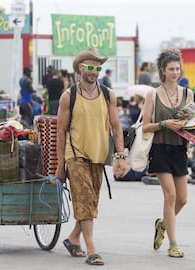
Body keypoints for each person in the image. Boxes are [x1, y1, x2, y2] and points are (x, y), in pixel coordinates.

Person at [55, 48, 128, 266]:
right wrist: (60, 164)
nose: (94, 71)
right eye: (90, 67)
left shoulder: (108, 95)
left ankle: (73, 238)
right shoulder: (69, 96)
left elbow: (116, 126)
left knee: (90, 202)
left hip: (99, 154)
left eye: (98, 67)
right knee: (85, 198)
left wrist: (120, 155)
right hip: (75, 154)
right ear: (80, 68)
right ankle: (92, 249)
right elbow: (60, 131)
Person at [142, 48, 194, 258]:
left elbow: (191, 123)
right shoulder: (152, 94)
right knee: (170, 195)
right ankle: (173, 244)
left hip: (180, 148)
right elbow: (145, 126)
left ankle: (162, 225)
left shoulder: (188, 93)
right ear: (162, 71)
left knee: (182, 199)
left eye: (177, 68)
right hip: (160, 148)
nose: (175, 72)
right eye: (171, 69)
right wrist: (164, 123)